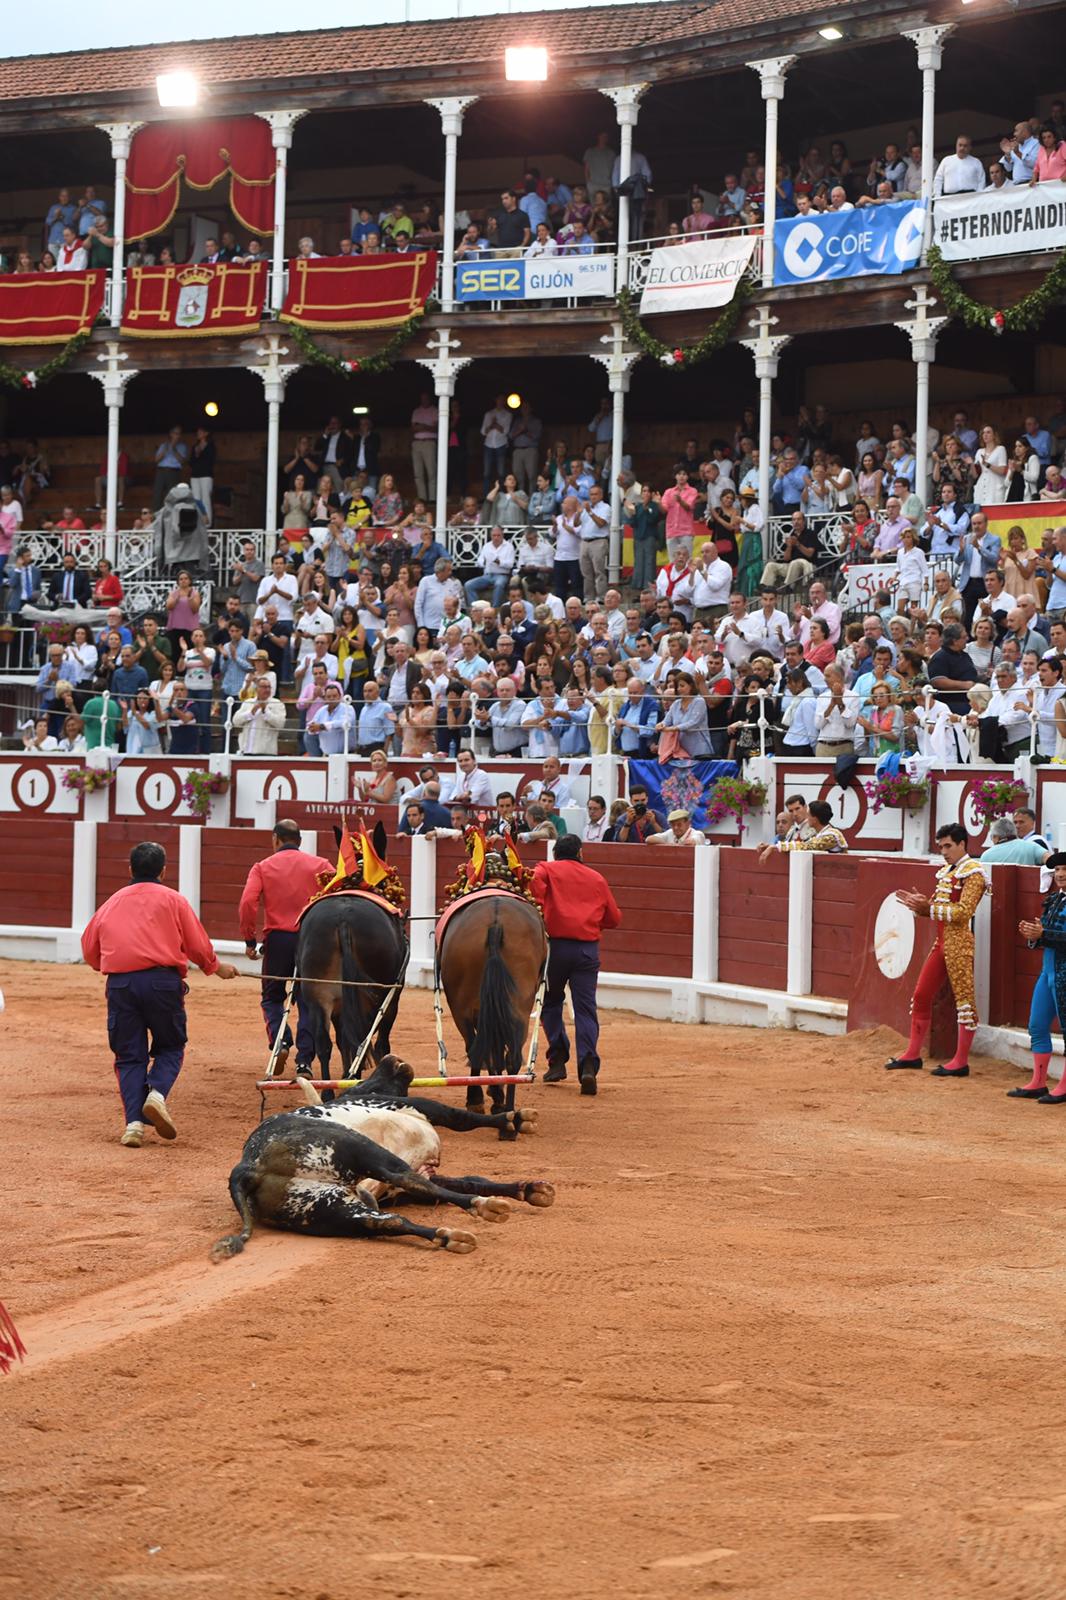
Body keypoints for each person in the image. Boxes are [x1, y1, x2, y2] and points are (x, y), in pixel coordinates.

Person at [80, 841, 238, 1146]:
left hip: (121, 985)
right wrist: (215, 967)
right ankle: (156, 1093)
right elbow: (197, 944)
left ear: (130, 869)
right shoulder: (173, 900)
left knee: (128, 1056)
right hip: (162, 983)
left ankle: (133, 1125)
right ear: (164, 871)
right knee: (171, 1046)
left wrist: (110, 964)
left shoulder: (111, 902)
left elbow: (89, 949)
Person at [884, 823, 988, 1078]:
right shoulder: (946, 872)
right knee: (921, 995)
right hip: (941, 943)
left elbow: (964, 912)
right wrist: (922, 903)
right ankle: (912, 1055)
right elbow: (938, 907)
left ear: (963, 844)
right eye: (940, 846)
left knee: (964, 1002)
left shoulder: (974, 873)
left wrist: (928, 909)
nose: (943, 851)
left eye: (948, 846)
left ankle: (961, 1062)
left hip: (959, 943)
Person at [238, 820, 333, 1076]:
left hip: (278, 939)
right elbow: (338, 897)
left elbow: (247, 902)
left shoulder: (263, 867)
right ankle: (304, 1062)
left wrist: (249, 940)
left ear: (276, 839)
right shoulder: (321, 865)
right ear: (299, 841)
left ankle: (280, 1040)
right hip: (312, 939)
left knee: (272, 996)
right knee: (308, 1001)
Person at [531, 834, 621, 1095]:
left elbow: (533, 891)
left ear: (555, 853)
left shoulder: (546, 869)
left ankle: (557, 1059)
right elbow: (614, 918)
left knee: (551, 1002)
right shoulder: (596, 878)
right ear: (580, 853)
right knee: (585, 1008)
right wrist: (590, 922)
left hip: (555, 948)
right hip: (586, 951)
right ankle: (588, 1065)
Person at [1015, 852, 1066, 1102]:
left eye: (1065, 869)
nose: (1061, 874)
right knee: (1036, 1025)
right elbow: (1044, 936)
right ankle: (1038, 1081)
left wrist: (1043, 934)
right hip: (1048, 971)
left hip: (1064, 973)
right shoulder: (1053, 899)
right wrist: (1034, 936)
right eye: (1057, 870)